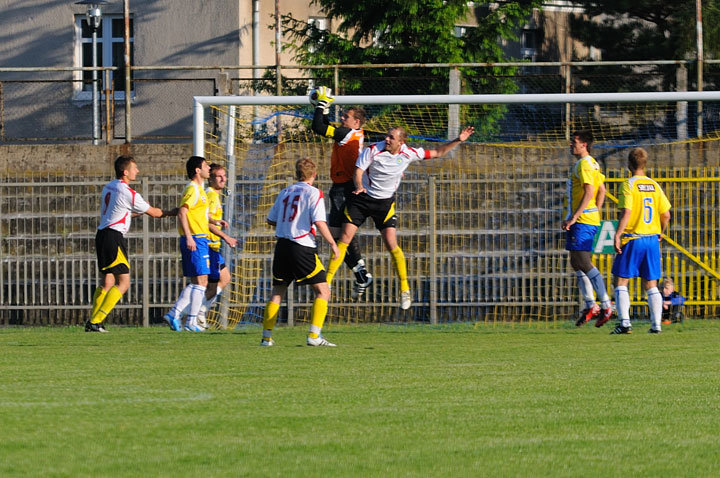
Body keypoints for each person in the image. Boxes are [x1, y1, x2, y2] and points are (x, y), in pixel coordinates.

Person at [325, 124, 474, 310]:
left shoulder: (409, 153)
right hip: (362, 199)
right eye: (387, 136)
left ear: (401, 142)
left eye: (391, 138)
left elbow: (437, 152)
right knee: (344, 238)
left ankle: (404, 288)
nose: (387, 139)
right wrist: (358, 186)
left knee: (391, 243)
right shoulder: (373, 150)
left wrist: (458, 140)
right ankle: (327, 281)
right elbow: (358, 171)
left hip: (384, 204)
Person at [88, 155, 177, 332]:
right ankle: (95, 321)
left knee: (107, 281)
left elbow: (121, 211)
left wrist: (139, 212)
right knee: (124, 282)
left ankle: (93, 321)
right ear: (125, 172)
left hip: (102, 234)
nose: (137, 171)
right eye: (134, 168)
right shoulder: (128, 193)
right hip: (114, 237)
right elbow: (154, 213)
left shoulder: (109, 187)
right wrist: (174, 212)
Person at [260, 158, 340, 347]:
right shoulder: (314, 193)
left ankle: (266, 338)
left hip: (282, 246)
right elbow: (320, 222)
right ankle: (314, 336)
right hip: (301, 246)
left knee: (277, 292)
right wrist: (332, 244)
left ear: (296, 174)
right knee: (323, 290)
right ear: (314, 175)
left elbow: (271, 220)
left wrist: (288, 222)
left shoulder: (285, 192)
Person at [310, 86, 373, 300]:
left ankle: (358, 273)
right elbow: (325, 125)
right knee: (340, 237)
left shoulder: (348, 134)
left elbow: (318, 127)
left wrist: (321, 104)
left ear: (356, 122)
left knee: (341, 237)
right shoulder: (352, 134)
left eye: (346, 116)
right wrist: (323, 109)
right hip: (343, 188)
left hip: (345, 189)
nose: (342, 118)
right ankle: (361, 273)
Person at [610, 147, 672, 334]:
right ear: (645, 164)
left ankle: (625, 324)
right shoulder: (654, 185)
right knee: (651, 284)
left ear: (629, 164)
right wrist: (661, 232)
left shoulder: (628, 185)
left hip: (633, 238)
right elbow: (666, 215)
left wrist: (618, 234)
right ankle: (656, 325)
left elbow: (627, 212)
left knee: (621, 281)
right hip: (652, 240)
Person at [164, 156, 229, 332]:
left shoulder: (199, 190)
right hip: (196, 238)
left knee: (199, 282)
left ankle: (177, 315)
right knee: (201, 282)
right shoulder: (193, 189)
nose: (209, 168)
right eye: (206, 165)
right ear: (198, 170)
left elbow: (199, 214)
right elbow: (183, 212)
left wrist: (215, 221)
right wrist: (189, 236)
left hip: (200, 238)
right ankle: (190, 321)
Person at [562, 130, 614, 328]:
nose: (571, 145)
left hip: (582, 220)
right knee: (575, 261)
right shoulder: (593, 163)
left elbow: (591, 190)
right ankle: (591, 304)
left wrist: (575, 216)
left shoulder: (585, 164)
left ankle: (606, 305)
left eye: (574, 142)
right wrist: (595, 211)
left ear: (584, 144)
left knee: (583, 261)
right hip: (587, 218)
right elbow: (602, 190)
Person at [196, 163, 238, 330]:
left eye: (224, 176)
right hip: (208, 245)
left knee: (215, 283)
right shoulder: (211, 195)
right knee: (219, 280)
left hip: (212, 246)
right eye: (218, 176)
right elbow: (206, 221)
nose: (223, 179)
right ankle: (195, 313)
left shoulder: (214, 195)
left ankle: (198, 313)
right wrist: (226, 237)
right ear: (211, 178)